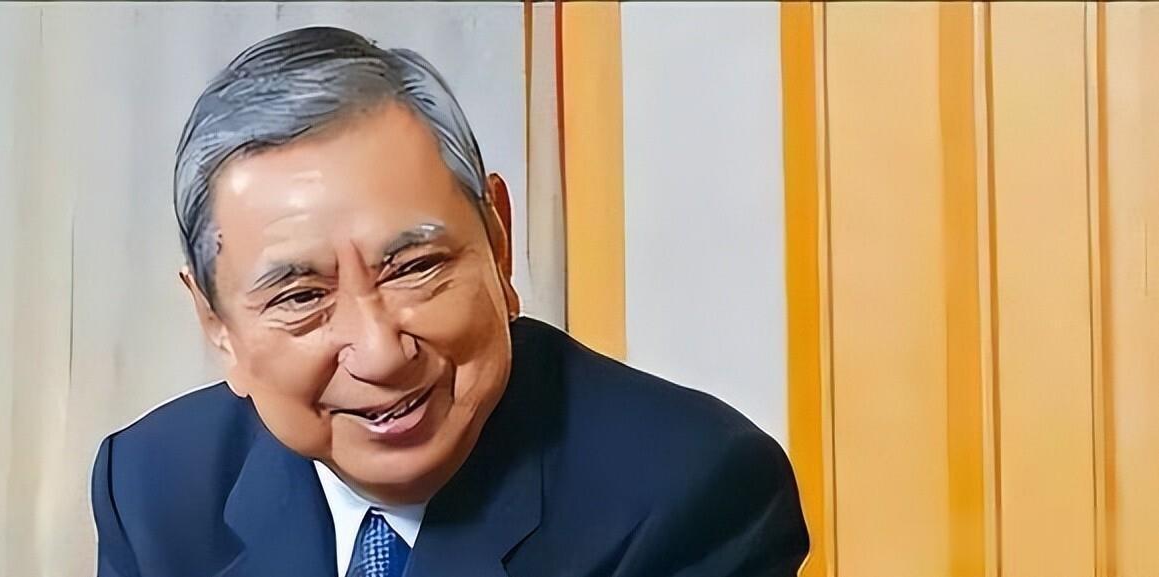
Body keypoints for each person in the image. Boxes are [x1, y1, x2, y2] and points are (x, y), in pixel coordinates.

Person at [90, 26, 808, 577]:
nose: (379, 353)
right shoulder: (153, 489)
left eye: (414, 267)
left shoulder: (691, 490)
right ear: (216, 324)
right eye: (303, 296)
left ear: (498, 242)